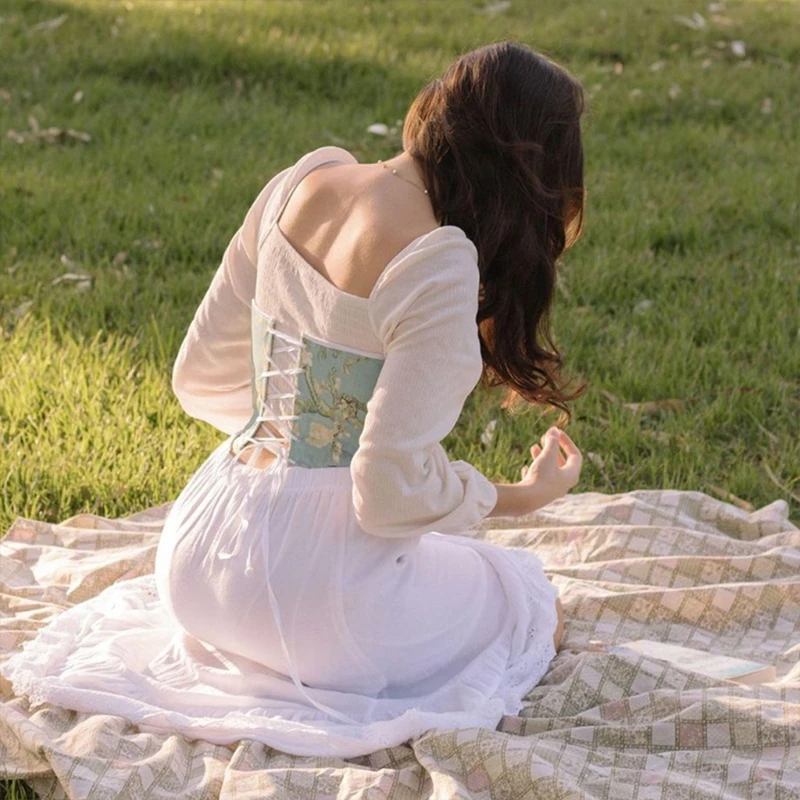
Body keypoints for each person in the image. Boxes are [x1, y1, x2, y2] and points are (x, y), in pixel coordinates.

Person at [0, 40, 585, 758]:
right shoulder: (439, 261)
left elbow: (199, 378)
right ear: (529, 176)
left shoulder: (303, 180)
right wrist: (523, 496)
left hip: (199, 555)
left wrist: (294, 468)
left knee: (458, 574)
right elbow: (386, 493)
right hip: (326, 609)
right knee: (524, 599)